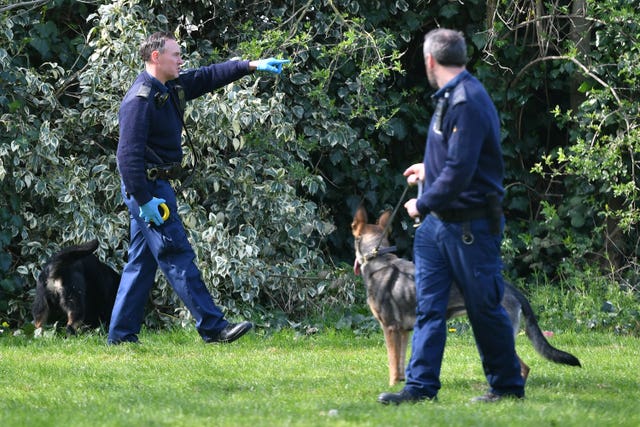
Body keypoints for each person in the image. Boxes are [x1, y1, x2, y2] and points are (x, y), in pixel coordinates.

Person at [108, 31, 289, 345]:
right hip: (148, 190)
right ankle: (213, 327)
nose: (181, 60)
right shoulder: (139, 100)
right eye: (175, 55)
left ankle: (121, 337)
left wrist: (251, 65)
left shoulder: (171, 86)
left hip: (155, 185)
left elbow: (209, 76)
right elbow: (126, 156)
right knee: (176, 253)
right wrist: (144, 199)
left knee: (141, 263)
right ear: (156, 57)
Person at [377, 28, 525, 404]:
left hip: (469, 225)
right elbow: (454, 158)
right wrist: (427, 168)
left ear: (430, 60)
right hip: (437, 229)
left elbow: (460, 171)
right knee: (428, 309)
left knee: (484, 308)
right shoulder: (449, 97)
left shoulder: (468, 101)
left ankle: (507, 387)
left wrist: (421, 204)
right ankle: (419, 388)